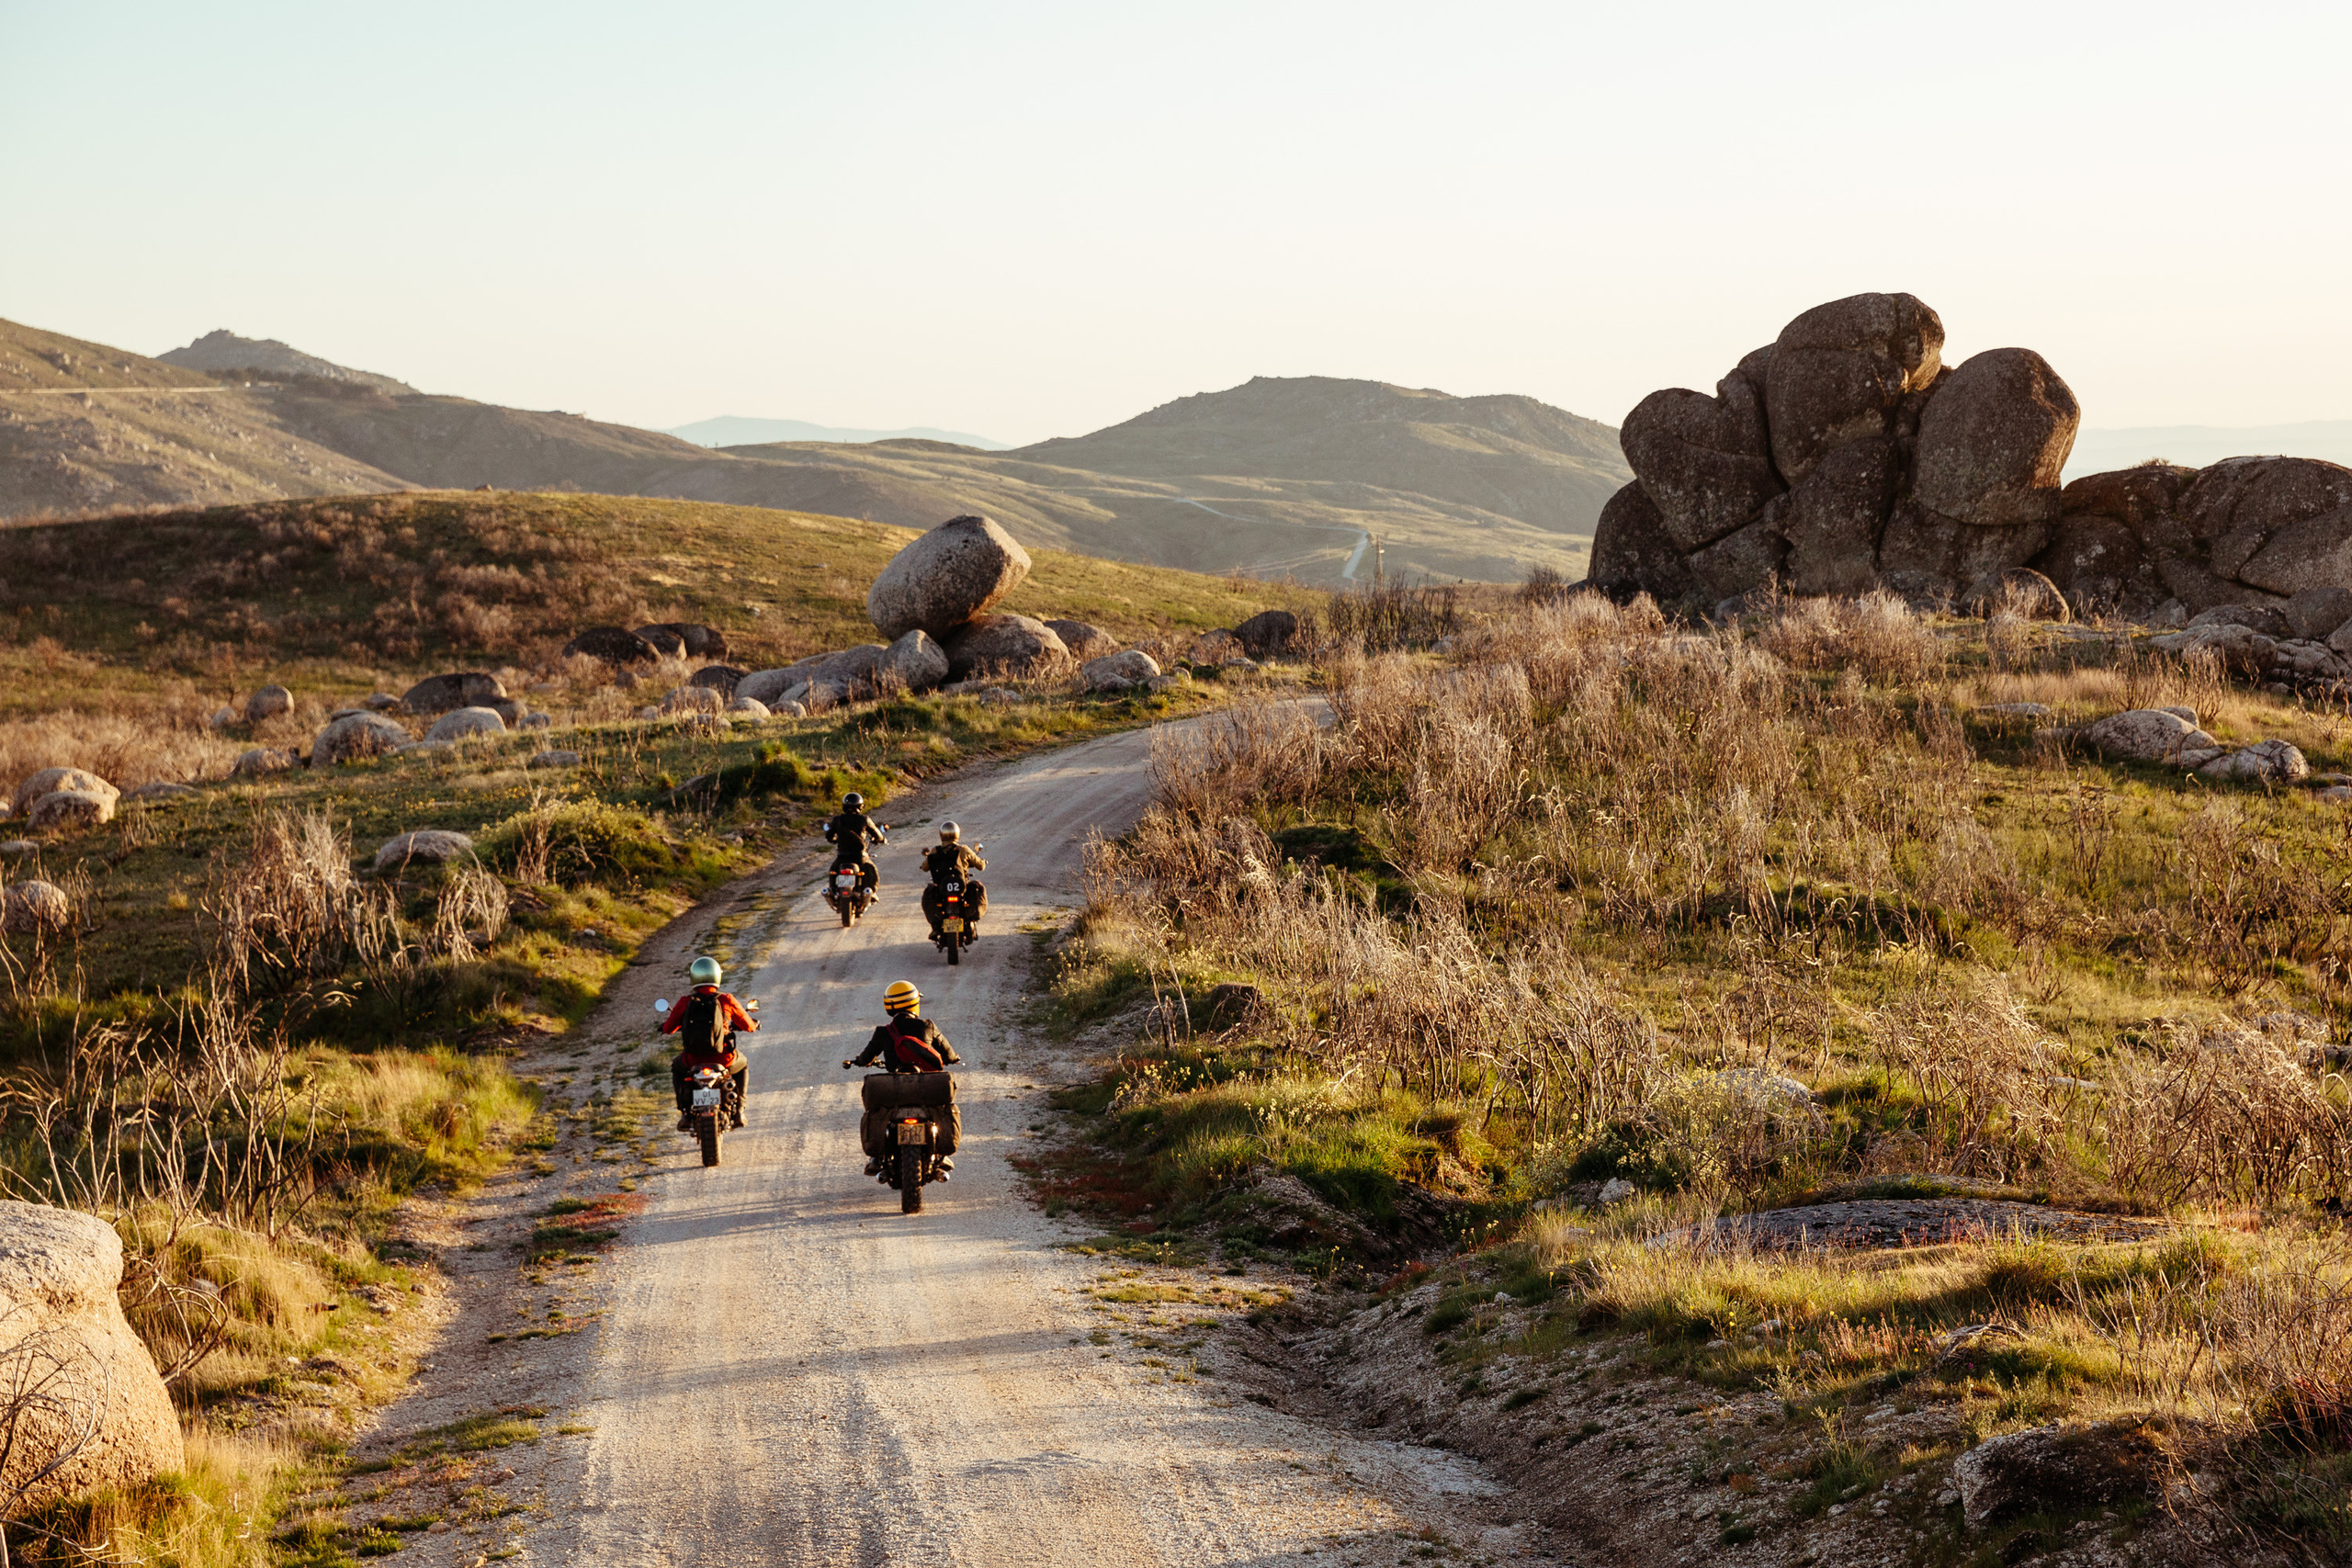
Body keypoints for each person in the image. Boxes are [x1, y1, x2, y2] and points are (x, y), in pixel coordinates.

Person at [846, 981, 958, 1175]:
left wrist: (858, 1061)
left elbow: (866, 1058)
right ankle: (941, 1154)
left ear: (889, 1006)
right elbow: (948, 1054)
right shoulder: (928, 1026)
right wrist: (954, 1058)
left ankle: (876, 1157)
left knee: (876, 1111)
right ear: (915, 1003)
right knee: (941, 1109)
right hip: (926, 1088)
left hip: (893, 1089)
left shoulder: (883, 1032)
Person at [662, 955, 756, 1132]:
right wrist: (754, 1025)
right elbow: (748, 1026)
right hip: (723, 1059)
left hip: (692, 1060)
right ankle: (739, 1111)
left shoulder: (685, 1002)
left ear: (694, 977)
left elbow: (668, 1028)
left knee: (676, 1067)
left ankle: (685, 1113)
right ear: (717, 976)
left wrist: (670, 1027)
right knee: (742, 1064)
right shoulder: (726, 999)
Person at [918, 821, 988, 940]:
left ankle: (935, 926)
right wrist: (983, 862)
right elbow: (981, 866)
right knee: (978, 887)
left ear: (941, 835)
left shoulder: (935, 851)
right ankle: (970, 920)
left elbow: (924, 868)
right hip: (961, 888)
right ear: (957, 834)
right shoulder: (963, 849)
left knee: (929, 893)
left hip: (942, 890)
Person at [822, 791, 887, 893]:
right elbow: (878, 836)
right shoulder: (864, 819)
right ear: (860, 806)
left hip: (842, 856)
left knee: (833, 871)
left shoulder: (837, 820)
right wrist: (880, 839)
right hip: (859, 856)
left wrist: (835, 840)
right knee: (871, 870)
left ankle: (832, 891)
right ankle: (872, 893)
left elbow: (829, 836)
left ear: (844, 806)